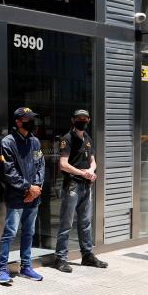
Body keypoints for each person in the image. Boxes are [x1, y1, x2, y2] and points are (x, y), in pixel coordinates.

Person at [0, 106, 45, 285]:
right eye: (27, 119)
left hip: (33, 196)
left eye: (32, 118)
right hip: (16, 196)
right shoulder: (7, 143)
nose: (31, 122)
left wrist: (36, 187)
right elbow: (8, 172)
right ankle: (1, 269)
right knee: (10, 232)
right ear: (17, 122)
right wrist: (28, 188)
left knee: (28, 233)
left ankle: (26, 266)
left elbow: (41, 165)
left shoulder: (35, 141)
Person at [53, 109, 108, 273]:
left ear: (89, 120)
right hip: (72, 185)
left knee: (85, 223)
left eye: (84, 118)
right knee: (66, 223)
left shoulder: (87, 139)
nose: (82, 121)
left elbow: (93, 161)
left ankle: (87, 256)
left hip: (86, 186)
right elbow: (63, 164)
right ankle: (60, 258)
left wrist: (91, 170)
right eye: (79, 118)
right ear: (73, 120)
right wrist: (83, 173)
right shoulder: (67, 139)